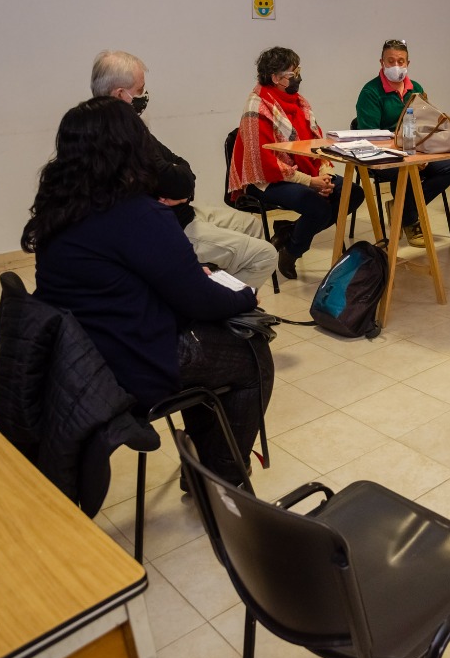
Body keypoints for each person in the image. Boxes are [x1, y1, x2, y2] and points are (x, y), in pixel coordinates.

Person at [25, 97, 274, 486]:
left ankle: (204, 466)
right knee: (252, 354)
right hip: (126, 363)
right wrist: (245, 295)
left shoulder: (59, 208)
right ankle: (221, 480)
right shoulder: (137, 213)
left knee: (213, 353)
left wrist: (185, 275)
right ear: (130, 148)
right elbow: (199, 300)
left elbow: (115, 275)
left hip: (79, 357)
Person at [91, 51, 277, 289]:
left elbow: (180, 168)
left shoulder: (132, 126)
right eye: (139, 90)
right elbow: (173, 180)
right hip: (166, 226)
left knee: (253, 226)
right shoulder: (116, 136)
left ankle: (219, 289)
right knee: (265, 255)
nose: (144, 95)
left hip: (181, 210)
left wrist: (182, 190)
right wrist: (179, 186)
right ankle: (219, 304)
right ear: (120, 94)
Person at [228, 46, 361, 279]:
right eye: (293, 73)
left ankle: (289, 231)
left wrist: (324, 172)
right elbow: (263, 163)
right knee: (317, 207)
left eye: (298, 71)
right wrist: (311, 182)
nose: (298, 77)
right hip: (265, 180)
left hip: (304, 173)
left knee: (354, 193)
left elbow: (316, 142)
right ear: (276, 78)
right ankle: (292, 250)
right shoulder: (256, 107)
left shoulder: (300, 103)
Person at [355, 39, 450, 247]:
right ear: (382, 62)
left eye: (401, 61)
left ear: (408, 63)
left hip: (415, 150)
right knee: (406, 170)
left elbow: (425, 124)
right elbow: (370, 136)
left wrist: (420, 154)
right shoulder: (370, 92)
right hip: (382, 155)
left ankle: (401, 209)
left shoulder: (416, 88)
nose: (396, 65)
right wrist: (407, 155)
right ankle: (410, 220)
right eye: (391, 61)